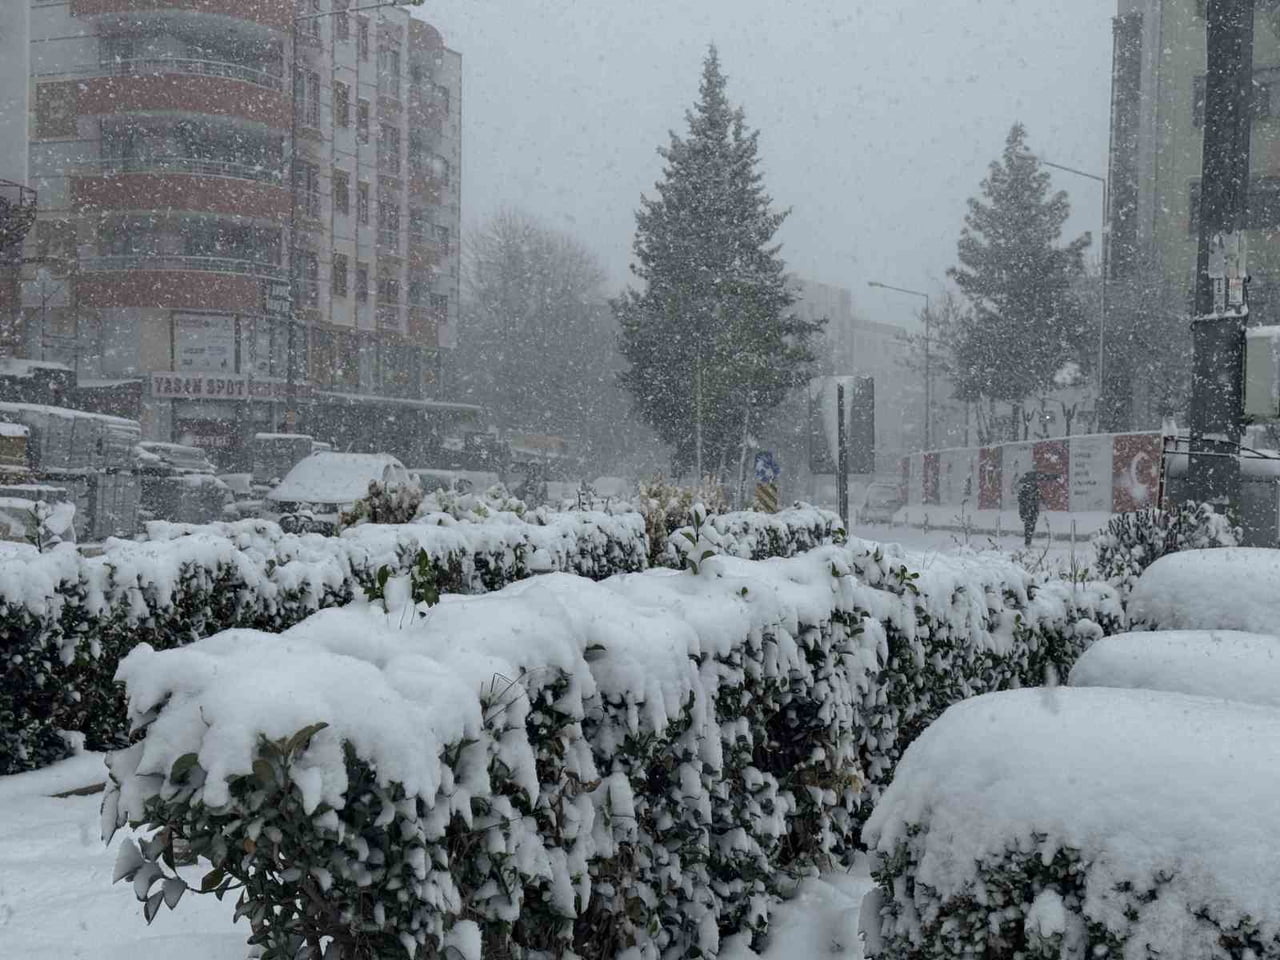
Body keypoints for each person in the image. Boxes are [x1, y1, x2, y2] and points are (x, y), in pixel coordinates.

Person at [1016, 470, 1041, 548]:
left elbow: (1037, 498)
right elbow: (1021, 499)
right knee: (1029, 526)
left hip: (1031, 510)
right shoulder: (1026, 489)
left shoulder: (1034, 488)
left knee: (1030, 526)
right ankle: (1028, 541)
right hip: (1029, 510)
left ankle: (1028, 540)